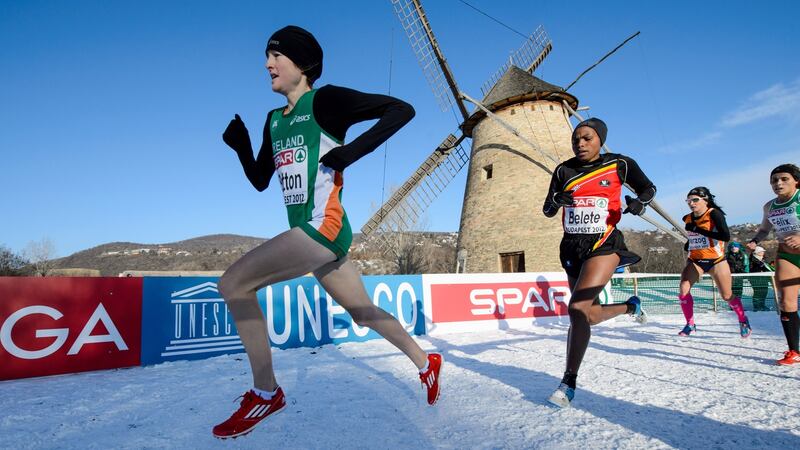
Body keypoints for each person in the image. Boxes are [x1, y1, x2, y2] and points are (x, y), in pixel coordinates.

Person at [213, 25, 443, 439]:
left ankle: (266, 393)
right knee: (362, 312)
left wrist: (351, 152)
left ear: (302, 64)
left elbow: (401, 110)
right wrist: (242, 147)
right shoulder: (273, 120)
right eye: (266, 57)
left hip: (325, 226)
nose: (267, 64)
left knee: (233, 284)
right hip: (311, 231)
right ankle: (427, 363)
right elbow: (262, 180)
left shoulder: (328, 100)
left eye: (276, 56)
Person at [542, 118, 653, 407]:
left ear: (600, 140)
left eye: (587, 138)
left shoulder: (619, 163)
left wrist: (639, 203)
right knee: (586, 315)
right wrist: (557, 199)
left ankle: (568, 382)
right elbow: (547, 210)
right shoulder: (563, 170)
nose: (580, 143)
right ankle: (631, 306)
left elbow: (648, 188)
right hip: (571, 247)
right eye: (576, 139)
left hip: (604, 243)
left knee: (576, 308)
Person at [677, 187, 750, 338]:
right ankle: (690, 324)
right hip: (696, 260)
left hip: (716, 260)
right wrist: (689, 243)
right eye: (688, 200)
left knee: (726, 295)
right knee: (684, 288)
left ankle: (743, 320)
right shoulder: (687, 218)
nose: (691, 203)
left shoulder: (714, 214)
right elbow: (693, 237)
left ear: (706, 200)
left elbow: (725, 236)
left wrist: (698, 229)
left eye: (695, 200)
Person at [747, 163, 800, 365]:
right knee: (786, 302)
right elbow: (763, 229)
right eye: (774, 180)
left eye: (784, 179)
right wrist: (755, 241)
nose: (778, 183)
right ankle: (794, 351)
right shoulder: (770, 206)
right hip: (787, 256)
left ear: (796, 180)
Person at [748, 245, 774, 312]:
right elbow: (752, 269)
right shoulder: (752, 259)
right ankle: (756, 306)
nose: (763, 252)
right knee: (757, 292)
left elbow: (766, 267)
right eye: (761, 251)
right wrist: (760, 267)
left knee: (764, 292)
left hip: (764, 278)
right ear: (757, 252)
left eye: (763, 251)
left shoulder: (763, 259)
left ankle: (762, 305)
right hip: (755, 279)